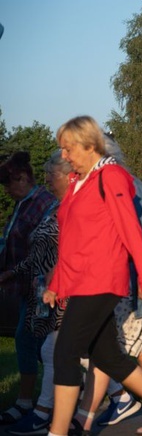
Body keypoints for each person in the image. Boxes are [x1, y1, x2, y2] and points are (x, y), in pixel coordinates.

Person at [42, 116, 142, 436]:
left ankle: (58, 432)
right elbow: (69, 237)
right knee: (108, 355)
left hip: (103, 280)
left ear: (88, 145)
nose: (64, 156)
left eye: (68, 149)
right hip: (82, 280)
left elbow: (130, 230)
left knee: (65, 351)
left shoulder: (112, 176)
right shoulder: (77, 182)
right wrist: (56, 283)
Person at [73, 134, 142, 434]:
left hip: (127, 286)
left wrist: (140, 285)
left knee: (107, 354)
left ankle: (85, 418)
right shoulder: (111, 184)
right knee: (139, 350)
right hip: (123, 284)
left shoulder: (129, 186)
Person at [3, 151, 71, 435]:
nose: (47, 184)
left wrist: (56, 283)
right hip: (40, 287)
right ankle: (56, 408)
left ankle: (44, 410)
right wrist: (13, 273)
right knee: (50, 347)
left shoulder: (53, 206)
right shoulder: (42, 205)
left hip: (51, 289)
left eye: (50, 178)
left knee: (49, 347)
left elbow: (59, 250)